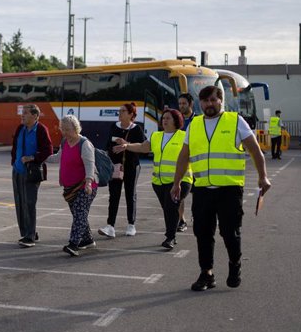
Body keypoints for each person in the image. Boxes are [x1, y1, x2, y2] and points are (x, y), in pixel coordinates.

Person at [171, 86, 271, 291]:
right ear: (200, 103)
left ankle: (235, 265)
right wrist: (176, 182)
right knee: (202, 232)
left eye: (213, 100)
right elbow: (184, 155)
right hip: (203, 190)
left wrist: (263, 177)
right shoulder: (195, 124)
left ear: (221, 101)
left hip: (229, 190)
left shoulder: (235, 121)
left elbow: (255, 150)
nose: (209, 104)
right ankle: (206, 273)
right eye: (205, 101)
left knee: (229, 232)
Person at [113, 108, 192, 250]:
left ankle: (170, 238)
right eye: (164, 118)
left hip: (180, 181)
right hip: (159, 182)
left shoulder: (184, 136)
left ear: (176, 120)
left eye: (168, 118)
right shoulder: (156, 136)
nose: (164, 120)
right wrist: (127, 146)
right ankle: (172, 233)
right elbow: (143, 147)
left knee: (171, 207)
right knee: (167, 209)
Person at [46, 116, 98, 256]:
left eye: (67, 129)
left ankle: (73, 244)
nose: (65, 132)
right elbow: (58, 157)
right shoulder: (65, 142)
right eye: (62, 129)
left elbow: (90, 165)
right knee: (78, 214)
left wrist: (88, 182)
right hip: (70, 188)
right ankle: (87, 240)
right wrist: (42, 157)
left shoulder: (84, 144)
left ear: (76, 128)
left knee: (79, 214)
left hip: (85, 186)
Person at [98, 102, 145, 238]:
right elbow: (107, 144)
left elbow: (142, 147)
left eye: (123, 111)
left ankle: (131, 224)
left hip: (131, 166)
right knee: (114, 195)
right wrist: (111, 149)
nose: (120, 113)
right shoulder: (114, 126)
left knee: (130, 194)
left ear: (131, 114)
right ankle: (110, 226)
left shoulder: (137, 129)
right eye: (119, 111)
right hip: (116, 166)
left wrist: (126, 144)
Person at [10, 104, 53, 247]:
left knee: (29, 203)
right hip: (18, 170)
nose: (22, 115)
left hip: (31, 172)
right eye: (22, 113)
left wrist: (32, 157)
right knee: (20, 203)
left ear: (35, 116)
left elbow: (48, 150)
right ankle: (29, 233)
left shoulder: (41, 129)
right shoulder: (20, 128)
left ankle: (30, 237)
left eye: (26, 113)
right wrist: (14, 162)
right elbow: (15, 147)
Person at [177, 92, 196, 232]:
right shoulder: (177, 121)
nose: (181, 106)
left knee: (198, 193)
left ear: (190, 104)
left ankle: (196, 216)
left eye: (184, 103)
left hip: (196, 162)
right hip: (182, 162)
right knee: (181, 193)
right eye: (180, 104)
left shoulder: (198, 120)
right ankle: (181, 220)